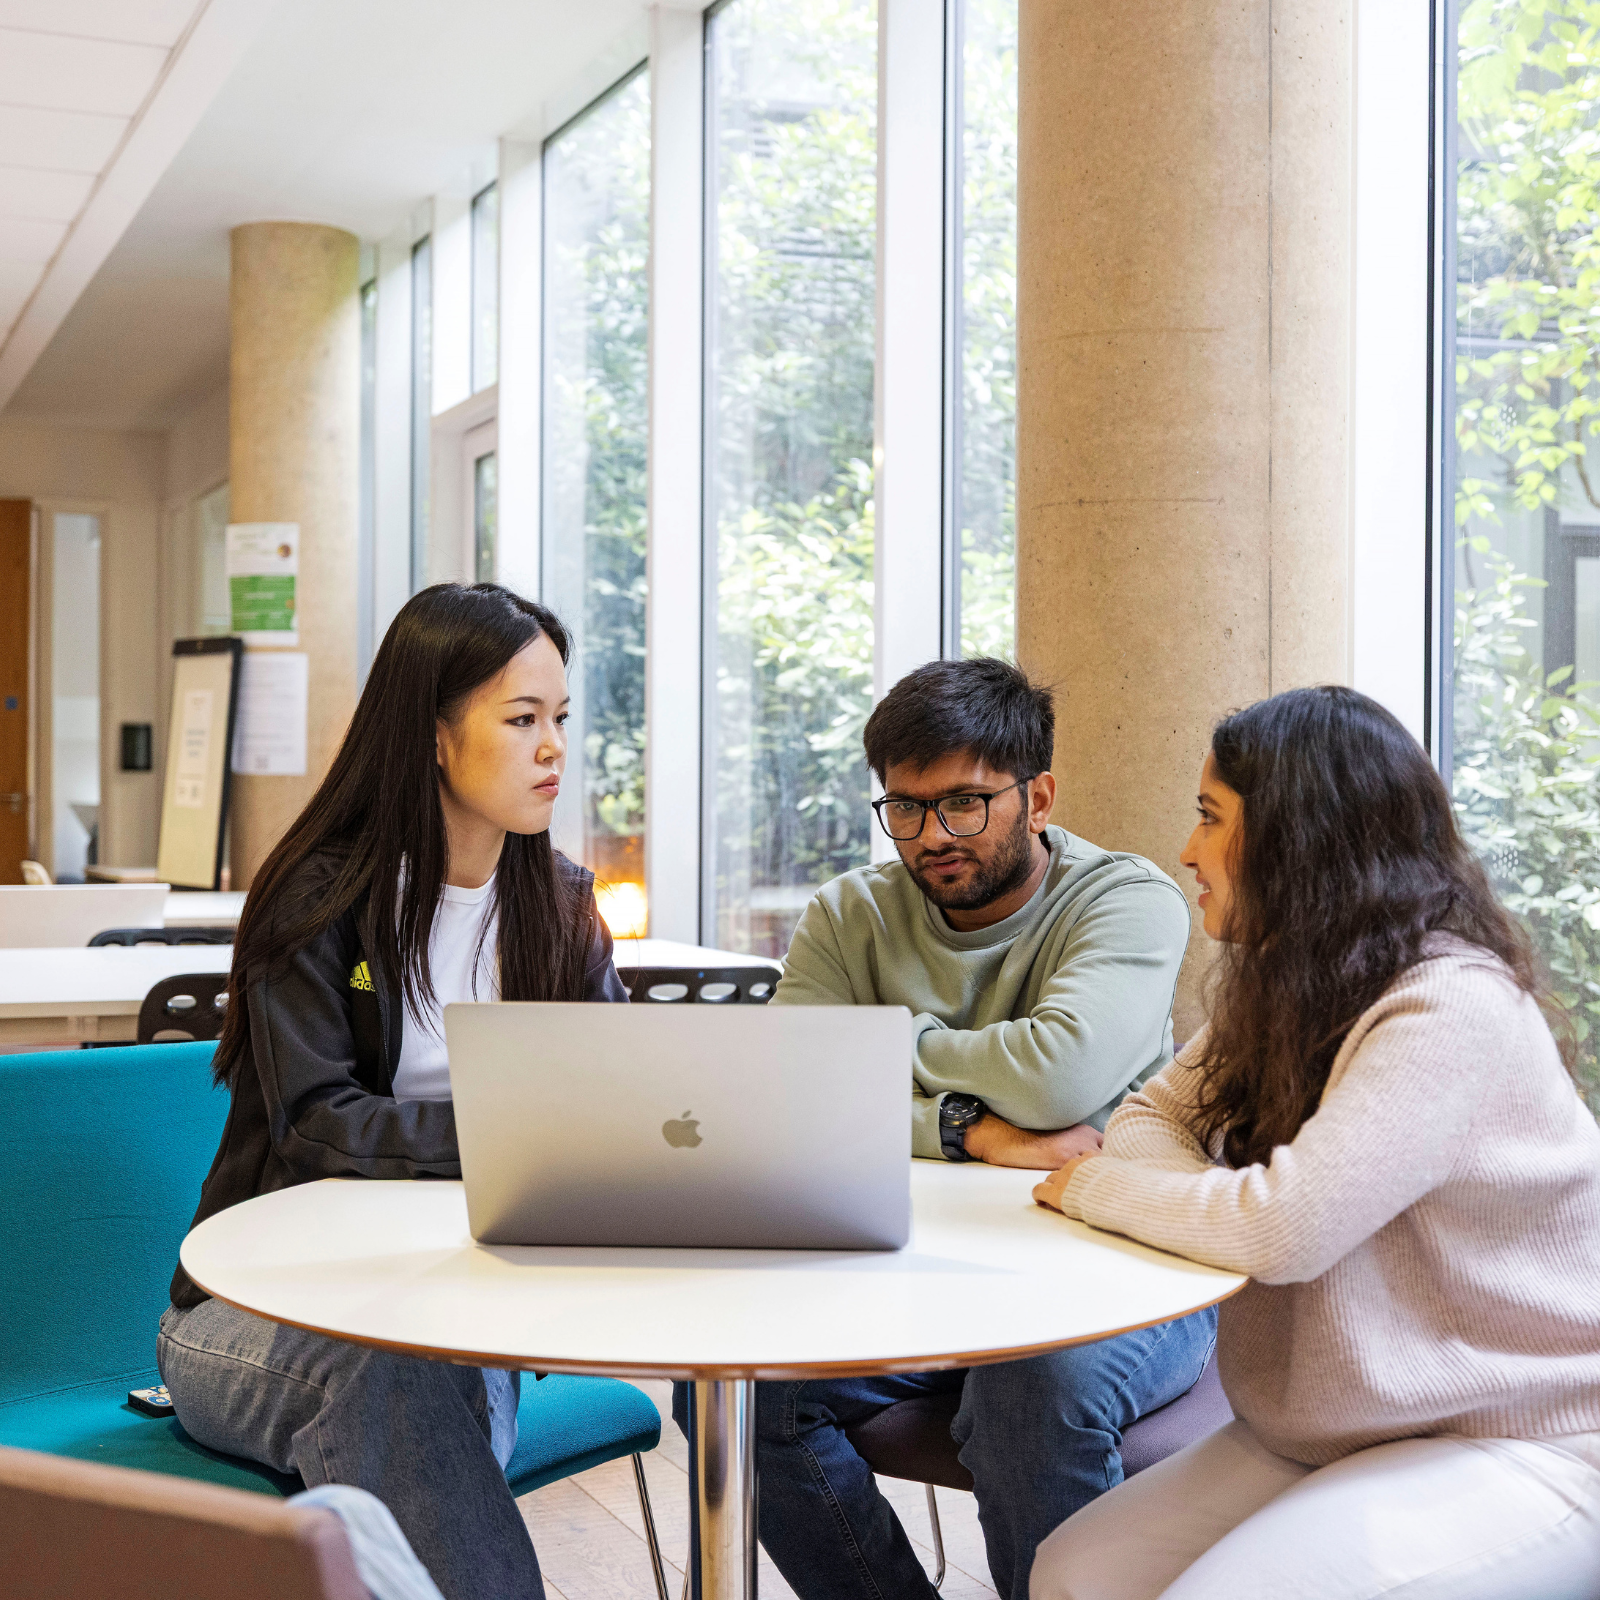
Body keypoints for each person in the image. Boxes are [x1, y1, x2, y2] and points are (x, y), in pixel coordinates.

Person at [1030, 685, 1600, 1600]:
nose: (1186, 851)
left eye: (1211, 819)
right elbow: (1149, 1118)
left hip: (1520, 1439)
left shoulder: (1451, 1004)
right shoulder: (1290, 983)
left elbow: (1282, 1231)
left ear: (1300, 838)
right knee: (1072, 1574)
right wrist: (1190, 1193)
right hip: (1337, 1430)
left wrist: (1096, 1186)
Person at [709, 657, 1216, 1600]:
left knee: (1032, 1393)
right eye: (904, 807)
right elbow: (787, 1090)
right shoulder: (850, 911)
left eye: (966, 803)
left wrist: (885, 1040)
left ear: (1041, 795)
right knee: (753, 1393)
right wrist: (968, 1132)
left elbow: (1061, 1072)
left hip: (1123, 1267)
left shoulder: (1126, 899)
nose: (932, 836)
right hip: (921, 1270)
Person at [158, 584, 626, 1600]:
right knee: (393, 1376)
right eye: (520, 720)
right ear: (431, 737)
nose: (553, 749)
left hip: (466, 1312)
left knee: (423, 1385)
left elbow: (622, 1102)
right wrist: (523, 1143)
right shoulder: (317, 900)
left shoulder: (561, 910)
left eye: (559, 720)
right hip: (258, 1310)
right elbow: (321, 1125)